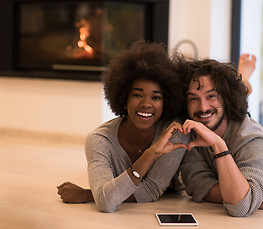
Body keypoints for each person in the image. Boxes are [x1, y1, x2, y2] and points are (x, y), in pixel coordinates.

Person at [57, 40, 189, 212]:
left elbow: (151, 191)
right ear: (124, 99)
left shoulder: (174, 133)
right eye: (137, 95)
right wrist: (152, 153)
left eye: (156, 97)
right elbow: (106, 203)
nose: (146, 104)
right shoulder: (99, 140)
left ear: (166, 102)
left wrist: (90, 194)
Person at [177, 56, 263, 217]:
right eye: (193, 98)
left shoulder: (252, 137)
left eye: (211, 96)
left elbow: (239, 207)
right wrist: (254, 198)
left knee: (238, 103)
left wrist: (218, 144)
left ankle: (243, 80)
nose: (202, 107)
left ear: (225, 98)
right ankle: (243, 81)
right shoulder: (190, 131)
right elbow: (197, 185)